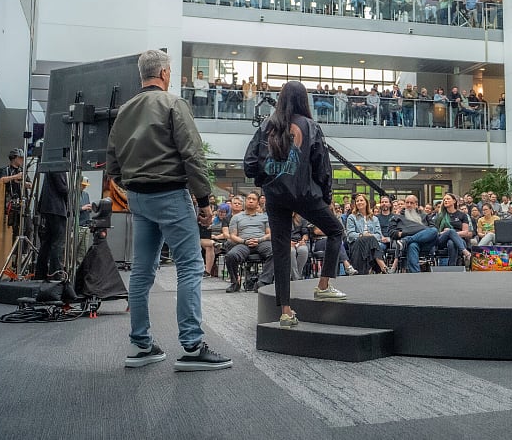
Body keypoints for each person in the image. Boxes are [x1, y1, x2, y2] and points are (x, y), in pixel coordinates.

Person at [105, 50, 231, 371]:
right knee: (189, 267)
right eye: (170, 71)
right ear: (163, 73)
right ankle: (191, 346)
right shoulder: (173, 104)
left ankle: (140, 344)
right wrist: (203, 202)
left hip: (138, 198)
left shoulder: (123, 112)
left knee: (142, 271)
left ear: (142, 75)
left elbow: (112, 165)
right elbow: (193, 156)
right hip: (171, 195)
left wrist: (132, 185)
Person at [242, 80, 348, 329]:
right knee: (335, 231)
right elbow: (322, 167)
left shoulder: (267, 125)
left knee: (280, 250)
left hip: (275, 195)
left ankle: (286, 313)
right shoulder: (310, 126)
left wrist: (265, 181)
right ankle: (323, 286)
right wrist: (326, 196)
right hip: (305, 194)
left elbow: (249, 163)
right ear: (303, 100)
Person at [223, 192, 271, 292]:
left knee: (275, 252)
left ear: (258, 203)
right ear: (245, 201)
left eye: (253, 199)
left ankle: (263, 282)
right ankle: (235, 282)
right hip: (243, 243)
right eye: (249, 198)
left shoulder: (265, 217)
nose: (251, 200)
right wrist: (244, 241)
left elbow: (269, 234)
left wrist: (259, 240)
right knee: (230, 255)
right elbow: (232, 236)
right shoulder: (236, 217)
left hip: (261, 242)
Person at [34, 170, 69, 282]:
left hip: (48, 208)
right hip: (56, 208)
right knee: (57, 243)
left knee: (47, 243)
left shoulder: (50, 164)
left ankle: (40, 274)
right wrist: (71, 190)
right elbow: (62, 188)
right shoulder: (58, 165)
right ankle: (56, 275)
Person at [345, 194, 387, 274]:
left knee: (370, 239)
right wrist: (362, 235)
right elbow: (350, 235)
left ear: (366, 203)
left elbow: (378, 235)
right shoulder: (351, 217)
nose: (359, 202)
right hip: (357, 243)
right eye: (357, 201)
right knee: (369, 239)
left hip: (372, 243)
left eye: (361, 200)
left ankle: (369, 269)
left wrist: (370, 236)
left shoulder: (375, 219)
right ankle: (382, 266)